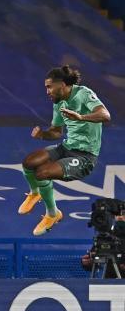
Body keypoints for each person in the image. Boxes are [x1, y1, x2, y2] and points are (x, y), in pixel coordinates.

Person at [19, 66, 111, 235]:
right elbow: (56, 132)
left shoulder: (83, 94)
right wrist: (42, 135)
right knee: (28, 162)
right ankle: (35, 193)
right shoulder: (59, 102)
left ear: (61, 84)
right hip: (66, 147)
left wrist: (81, 117)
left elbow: (105, 115)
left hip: (85, 157)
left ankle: (52, 214)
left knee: (42, 173)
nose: (47, 91)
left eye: (49, 87)